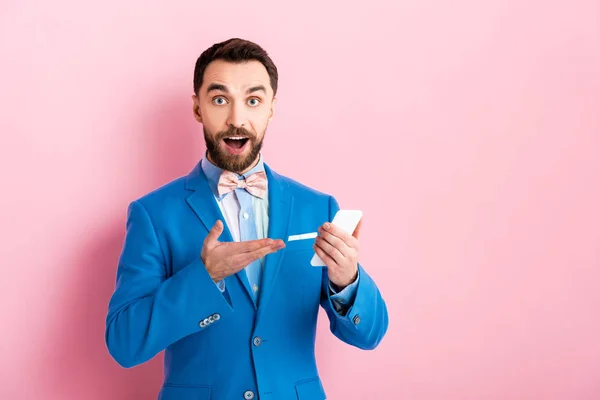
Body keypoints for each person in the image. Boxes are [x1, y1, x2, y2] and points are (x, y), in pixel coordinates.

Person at [105, 37, 389, 400]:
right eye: (220, 99)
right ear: (197, 108)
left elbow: (370, 335)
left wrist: (347, 279)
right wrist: (204, 278)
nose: (237, 119)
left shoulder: (318, 208)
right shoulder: (152, 214)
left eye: (253, 100)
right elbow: (125, 343)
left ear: (271, 108)